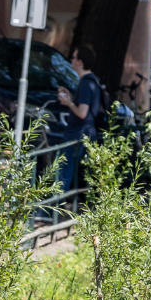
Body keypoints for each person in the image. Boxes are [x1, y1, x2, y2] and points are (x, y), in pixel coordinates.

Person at [54, 44, 102, 195]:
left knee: (64, 170)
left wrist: (68, 103)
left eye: (73, 57)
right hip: (86, 132)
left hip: (78, 133)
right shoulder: (91, 81)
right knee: (72, 171)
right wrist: (71, 97)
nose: (71, 60)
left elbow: (82, 113)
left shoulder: (87, 83)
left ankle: (54, 207)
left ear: (80, 62)